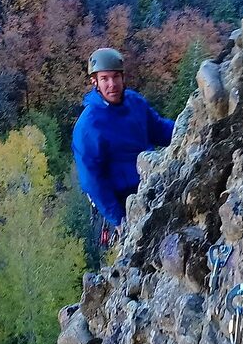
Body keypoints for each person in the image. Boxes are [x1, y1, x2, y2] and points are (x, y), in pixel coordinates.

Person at [72, 47, 174, 247]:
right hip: (120, 202)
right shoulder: (88, 126)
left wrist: (186, 130)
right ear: (95, 82)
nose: (112, 84)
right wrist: (118, 219)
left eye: (116, 77)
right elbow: (92, 180)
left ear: (123, 77)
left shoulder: (134, 102)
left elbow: (159, 129)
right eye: (105, 78)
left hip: (150, 183)